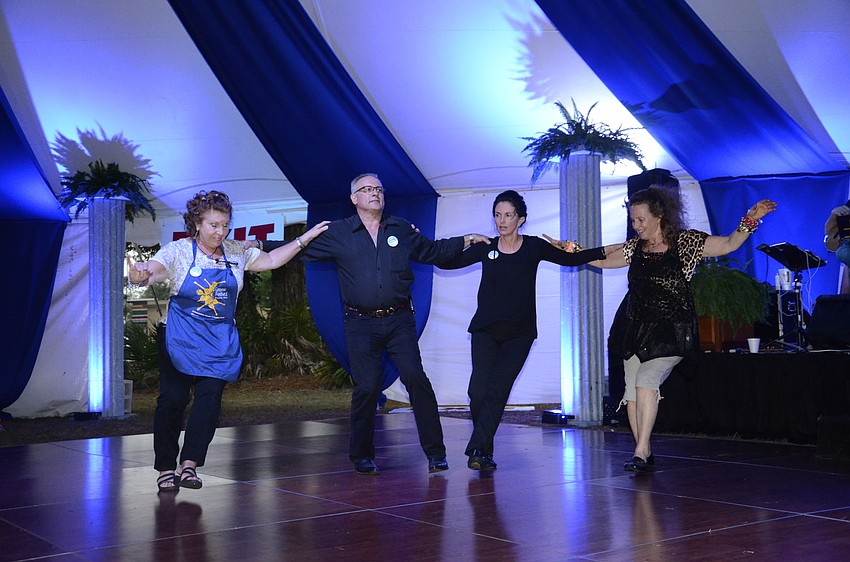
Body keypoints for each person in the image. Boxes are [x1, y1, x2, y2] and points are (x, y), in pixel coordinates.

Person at [265, 173, 490, 475]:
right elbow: (295, 250)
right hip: (360, 323)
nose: (374, 194)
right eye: (367, 189)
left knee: (416, 380)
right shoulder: (338, 233)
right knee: (367, 387)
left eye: (379, 189)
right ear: (354, 198)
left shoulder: (399, 228)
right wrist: (255, 244)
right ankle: (361, 455)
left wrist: (468, 239)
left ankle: (436, 454)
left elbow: (433, 251)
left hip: (399, 321)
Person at [551, 187, 776, 472]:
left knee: (646, 382)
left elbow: (729, 244)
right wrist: (570, 250)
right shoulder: (635, 248)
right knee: (632, 393)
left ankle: (642, 450)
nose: (637, 226)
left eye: (642, 220)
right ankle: (642, 450)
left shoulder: (686, 242)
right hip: (636, 329)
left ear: (659, 216)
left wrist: (750, 220)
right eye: (633, 221)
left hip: (672, 331)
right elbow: (601, 259)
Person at [127, 190, 329, 492]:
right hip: (179, 337)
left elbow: (272, 259)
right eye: (213, 225)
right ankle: (166, 467)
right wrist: (140, 275)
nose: (220, 232)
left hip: (219, 340)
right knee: (173, 400)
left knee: (209, 400)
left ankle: (190, 465)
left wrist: (304, 239)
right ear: (197, 222)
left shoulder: (236, 251)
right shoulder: (178, 251)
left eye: (225, 225)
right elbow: (153, 271)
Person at [438, 190, 621, 471]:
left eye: (508, 215)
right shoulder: (486, 247)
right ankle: (483, 450)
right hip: (485, 330)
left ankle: (477, 449)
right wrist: (465, 240)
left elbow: (572, 259)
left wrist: (592, 246)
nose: (502, 221)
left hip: (519, 334)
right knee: (478, 391)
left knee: (497, 389)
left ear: (520, 219)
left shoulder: (534, 246)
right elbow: (446, 261)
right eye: (497, 215)